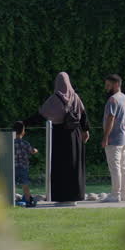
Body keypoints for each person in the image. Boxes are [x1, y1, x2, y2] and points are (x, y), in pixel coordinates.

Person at [25, 72, 89, 204]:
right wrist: (86, 131)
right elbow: (83, 115)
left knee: (61, 166)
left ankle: (62, 197)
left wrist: (23, 124)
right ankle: (74, 197)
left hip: (60, 136)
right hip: (75, 135)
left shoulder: (54, 99)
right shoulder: (75, 97)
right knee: (74, 166)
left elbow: (40, 116)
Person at [101, 73, 125, 203]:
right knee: (123, 166)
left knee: (114, 167)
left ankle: (115, 195)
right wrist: (122, 125)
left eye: (108, 85)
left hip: (113, 140)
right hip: (124, 138)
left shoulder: (112, 100)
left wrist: (105, 137)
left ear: (116, 84)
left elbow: (111, 118)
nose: (106, 87)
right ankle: (124, 193)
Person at [12, 121, 38, 207]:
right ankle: (28, 202)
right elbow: (32, 151)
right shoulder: (25, 143)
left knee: (13, 184)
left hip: (13, 167)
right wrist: (35, 150)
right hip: (23, 167)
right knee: (25, 185)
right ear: (23, 131)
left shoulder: (10, 143)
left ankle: (12, 200)